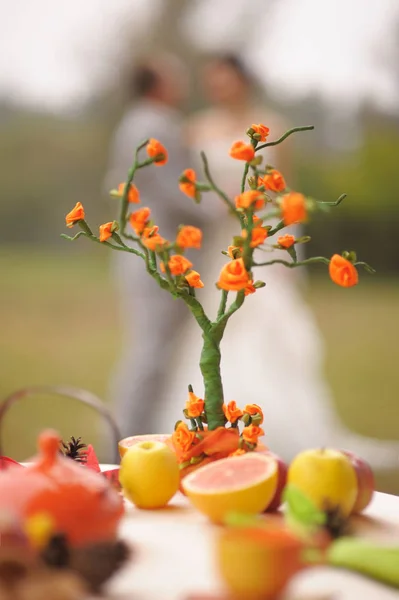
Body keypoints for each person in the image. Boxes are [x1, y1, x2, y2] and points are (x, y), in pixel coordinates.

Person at [155, 54, 399, 471]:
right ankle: (212, 426)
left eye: (227, 80)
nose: (220, 88)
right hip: (220, 239)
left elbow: (287, 193)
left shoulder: (273, 124)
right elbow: (184, 189)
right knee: (217, 328)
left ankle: (275, 426)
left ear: (244, 81)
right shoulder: (195, 128)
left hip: (263, 238)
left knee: (268, 322)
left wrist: (288, 250)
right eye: (213, 81)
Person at [105, 54, 211, 440]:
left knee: (149, 352)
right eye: (175, 77)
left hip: (143, 248)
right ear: (158, 84)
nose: (182, 84)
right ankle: (123, 442)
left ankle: (134, 437)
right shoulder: (157, 124)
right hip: (161, 252)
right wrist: (223, 208)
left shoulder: (133, 121)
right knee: (150, 355)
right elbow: (175, 192)